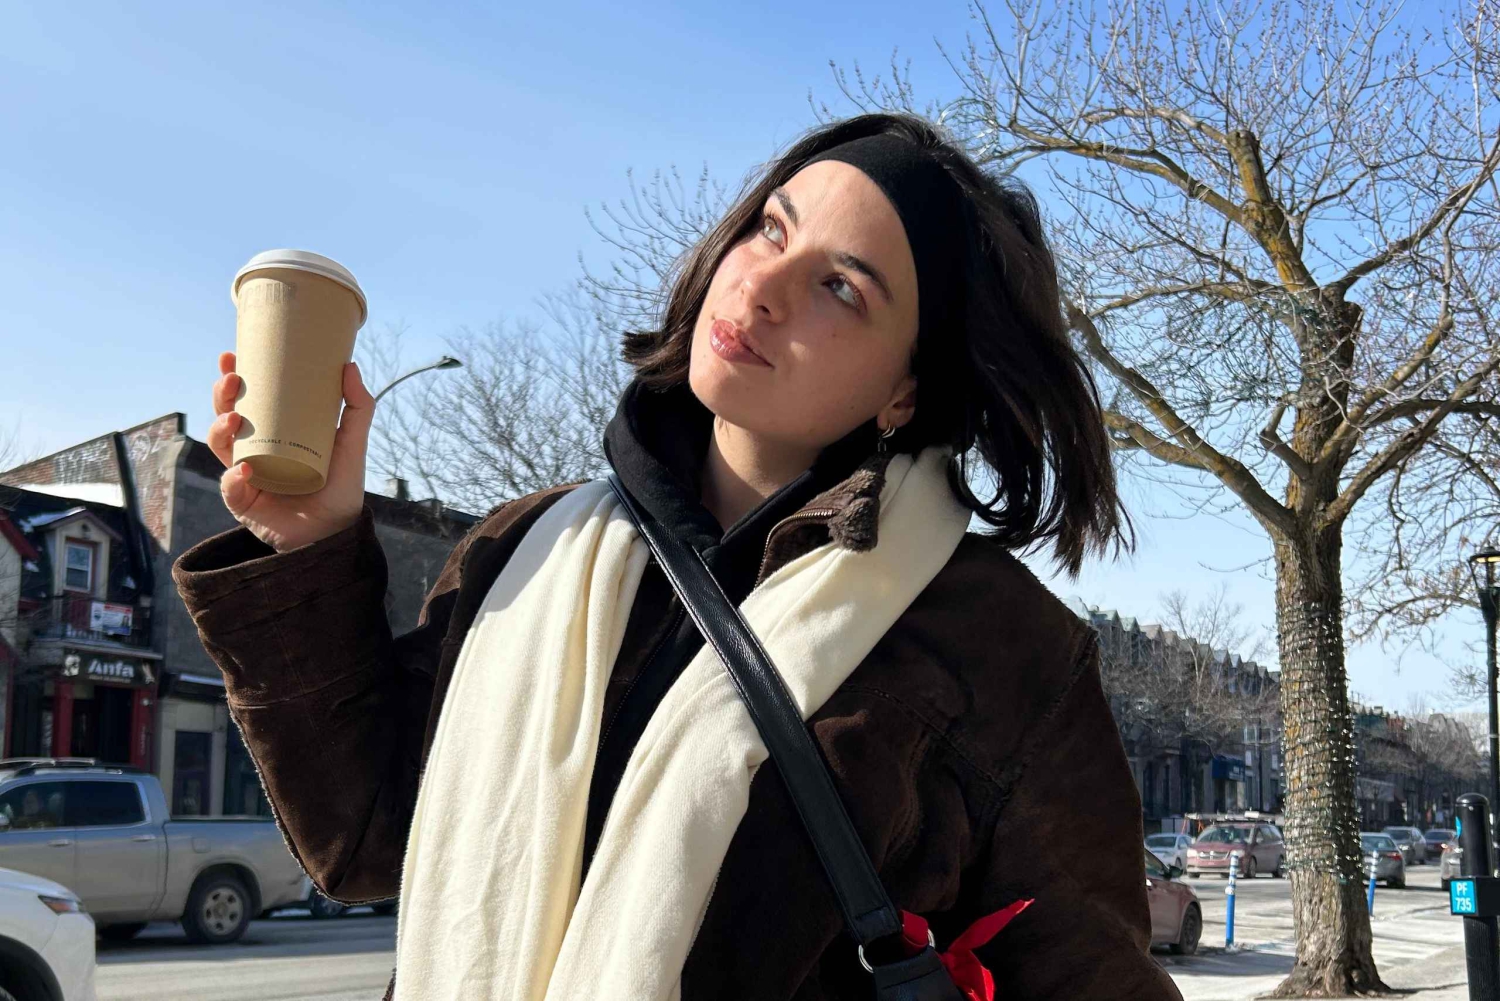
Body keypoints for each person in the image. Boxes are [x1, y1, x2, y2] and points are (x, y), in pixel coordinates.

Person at [173, 112, 1182, 1000]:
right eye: (770, 228)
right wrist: (310, 545)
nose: (764, 286)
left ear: (905, 390)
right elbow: (363, 841)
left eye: (840, 286)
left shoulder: (1003, 649)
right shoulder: (527, 549)